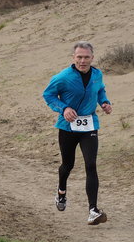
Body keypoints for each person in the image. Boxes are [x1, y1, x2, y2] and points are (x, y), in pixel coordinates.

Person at [43, 41, 112, 225]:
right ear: (73, 58)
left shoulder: (97, 74)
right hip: (68, 127)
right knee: (68, 165)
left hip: (89, 125)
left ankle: (93, 210)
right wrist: (64, 108)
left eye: (86, 57)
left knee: (91, 164)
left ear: (92, 58)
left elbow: (100, 91)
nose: (83, 61)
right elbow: (48, 95)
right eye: (79, 57)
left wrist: (104, 102)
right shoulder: (63, 77)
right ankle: (61, 191)